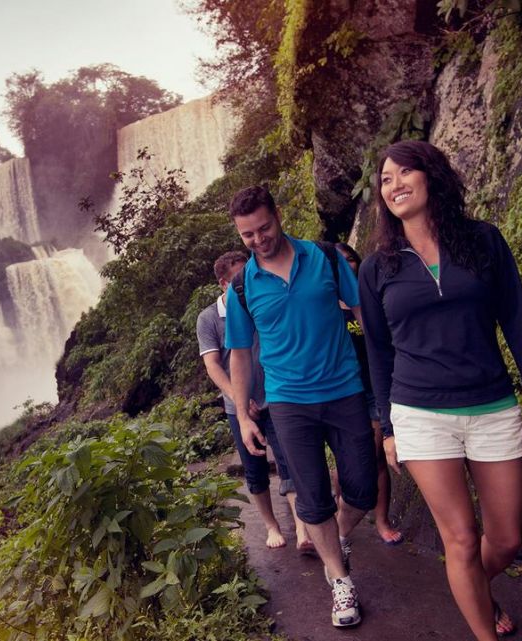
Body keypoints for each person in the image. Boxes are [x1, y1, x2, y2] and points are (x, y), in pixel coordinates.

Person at [358, 140, 522, 641]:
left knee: (505, 540)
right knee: (462, 539)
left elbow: (516, 318)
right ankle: (481, 624)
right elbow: (378, 350)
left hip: (492, 406)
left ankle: (470, 586)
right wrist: (388, 426)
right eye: (385, 178)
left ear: (432, 177)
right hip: (421, 414)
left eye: (405, 172)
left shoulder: (483, 241)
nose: (394, 184)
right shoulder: (378, 266)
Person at [224, 186, 378, 628]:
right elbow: (238, 352)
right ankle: (340, 578)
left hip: (344, 388)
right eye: (248, 235)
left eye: (265, 228)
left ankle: (339, 540)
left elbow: (363, 311)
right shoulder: (242, 286)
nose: (258, 240)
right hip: (288, 402)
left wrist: (388, 369)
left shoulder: (325, 258)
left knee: (363, 489)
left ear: (279, 215)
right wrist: (244, 413)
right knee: (311, 499)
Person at [196, 250, 312, 551]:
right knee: (255, 469)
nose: (247, 282)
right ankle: (272, 526)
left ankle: (302, 530)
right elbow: (213, 367)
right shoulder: (208, 319)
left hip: (276, 397)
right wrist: (239, 397)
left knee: (290, 461)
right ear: (224, 283)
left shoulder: (261, 303)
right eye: (239, 277)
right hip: (239, 408)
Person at [335, 242, 404, 546]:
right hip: (345, 393)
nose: (346, 264)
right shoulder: (324, 306)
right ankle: (342, 512)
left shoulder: (369, 299)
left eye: (350, 258)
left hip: (375, 389)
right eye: (339, 261)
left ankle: (382, 520)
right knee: (349, 460)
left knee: (375, 456)